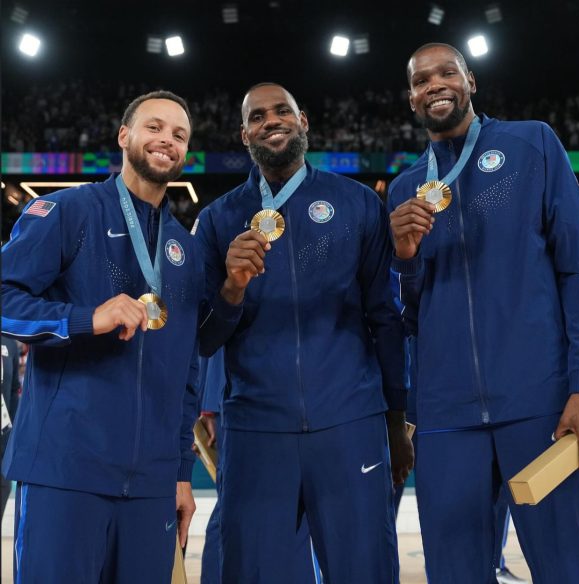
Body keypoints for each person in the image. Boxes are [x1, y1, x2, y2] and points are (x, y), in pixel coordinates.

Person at [1, 90, 239, 583]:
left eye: (179, 135)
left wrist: (178, 472)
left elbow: (186, 371)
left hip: (151, 486)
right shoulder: (68, 212)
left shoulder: (183, 249)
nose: (166, 140)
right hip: (66, 472)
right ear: (124, 136)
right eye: (154, 127)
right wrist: (86, 318)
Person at [388, 42, 579, 583]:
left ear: (470, 82)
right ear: (411, 98)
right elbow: (409, 317)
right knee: (455, 573)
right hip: (445, 418)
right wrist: (406, 261)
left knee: (569, 567)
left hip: (540, 403)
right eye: (421, 80)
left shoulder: (533, 143)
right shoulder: (408, 190)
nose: (434, 84)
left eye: (446, 73)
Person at [194, 82, 413, 584]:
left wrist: (397, 420)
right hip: (255, 429)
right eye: (257, 117)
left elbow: (386, 317)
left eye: (281, 111)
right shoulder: (218, 220)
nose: (271, 121)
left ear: (303, 121)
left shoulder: (357, 204)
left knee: (365, 571)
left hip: (350, 422)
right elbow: (204, 340)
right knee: (249, 572)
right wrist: (231, 290)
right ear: (244, 133)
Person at [197, 349, 322, 584]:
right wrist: (209, 405)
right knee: (231, 510)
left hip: (263, 393)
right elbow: (217, 320)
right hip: (240, 395)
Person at [1, 336, 21, 520]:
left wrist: (14, 431)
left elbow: (14, 388)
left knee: (3, 487)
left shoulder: (8, 343)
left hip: (3, 438)